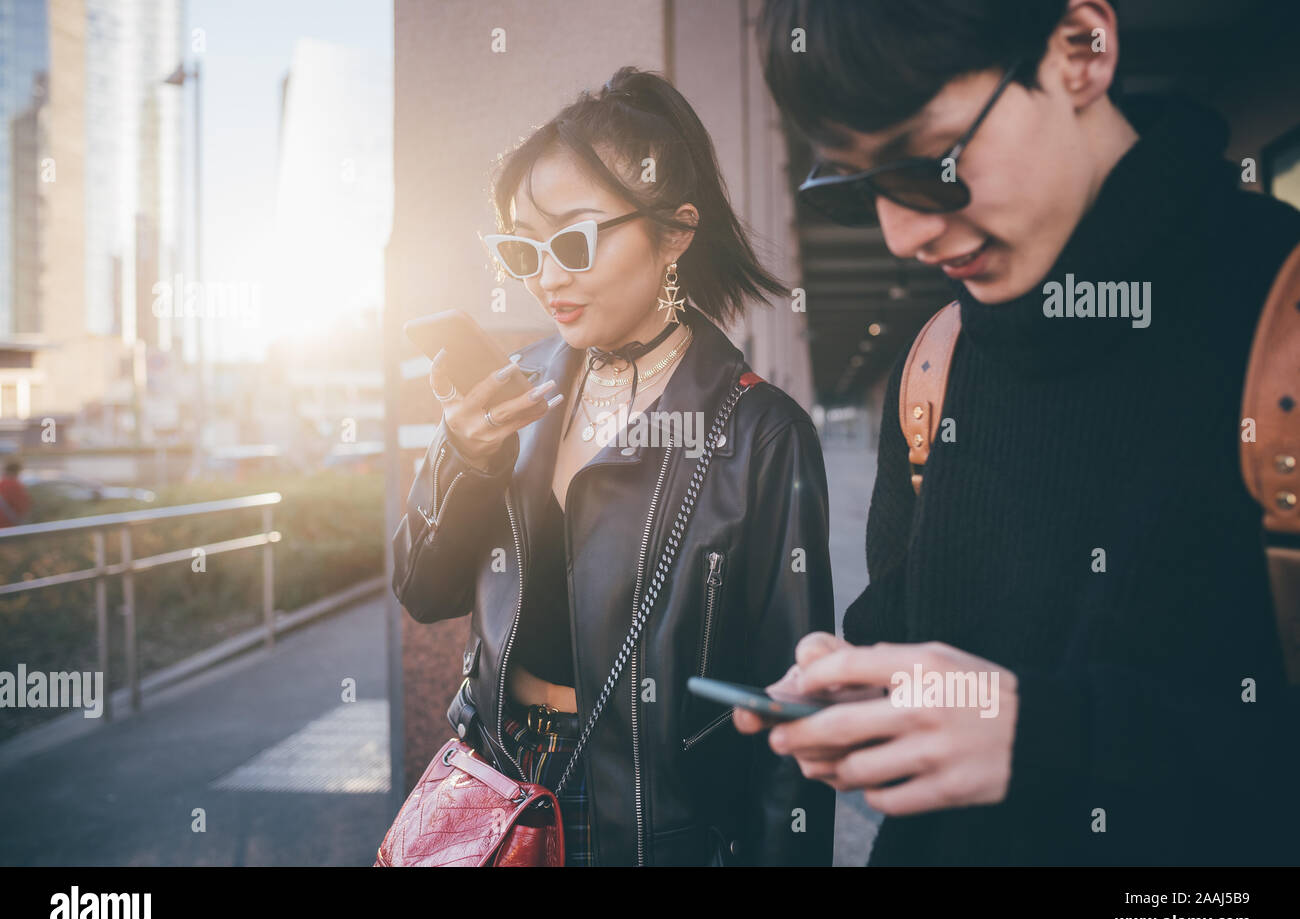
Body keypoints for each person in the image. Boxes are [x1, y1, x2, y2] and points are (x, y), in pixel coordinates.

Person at [739, 0, 1300, 865]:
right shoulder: (937, 361)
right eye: (856, 185)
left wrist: (1043, 737)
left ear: (1081, 50)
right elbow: (899, 628)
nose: (904, 232)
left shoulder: (1280, 325)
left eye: (933, 161)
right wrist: (855, 684)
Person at [391, 66, 836, 866]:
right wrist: (466, 458)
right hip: (499, 799)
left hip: (657, 826)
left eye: (573, 241)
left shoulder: (762, 433)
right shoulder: (514, 391)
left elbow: (792, 716)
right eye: (523, 249)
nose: (546, 277)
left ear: (675, 232)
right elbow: (424, 592)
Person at [0, 460, 32, 528]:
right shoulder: (15, 486)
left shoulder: (2, 484)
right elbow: (24, 507)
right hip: (9, 528)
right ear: (17, 471)